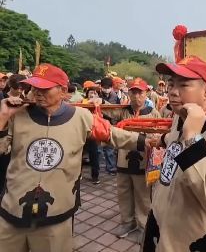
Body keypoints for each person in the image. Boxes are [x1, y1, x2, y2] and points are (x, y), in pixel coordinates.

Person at [0, 63, 147, 252]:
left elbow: (111, 134)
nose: (37, 92)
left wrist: (146, 142)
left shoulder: (80, 117)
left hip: (56, 214)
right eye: (34, 87)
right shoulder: (17, 115)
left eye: (44, 88)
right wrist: (2, 119)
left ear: (62, 91)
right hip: (13, 211)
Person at [142, 56, 206, 252]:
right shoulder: (179, 120)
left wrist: (192, 139)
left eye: (184, 85)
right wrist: (162, 140)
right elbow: (172, 140)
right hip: (165, 234)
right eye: (171, 84)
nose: (173, 92)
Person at [103, 78, 161, 239]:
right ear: (129, 93)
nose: (136, 96)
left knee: (143, 195)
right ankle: (127, 222)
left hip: (143, 160)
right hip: (123, 158)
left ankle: (144, 225)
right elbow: (105, 111)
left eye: (140, 92)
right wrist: (98, 99)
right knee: (123, 192)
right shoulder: (123, 110)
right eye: (133, 92)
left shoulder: (153, 113)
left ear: (146, 94)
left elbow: (159, 133)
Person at [99, 77, 119, 175]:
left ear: (111, 87)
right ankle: (97, 169)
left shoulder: (115, 97)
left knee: (110, 148)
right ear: (101, 87)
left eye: (108, 87)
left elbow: (116, 111)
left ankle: (111, 168)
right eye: (104, 87)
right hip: (98, 123)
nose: (106, 89)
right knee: (98, 148)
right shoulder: (97, 95)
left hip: (110, 123)